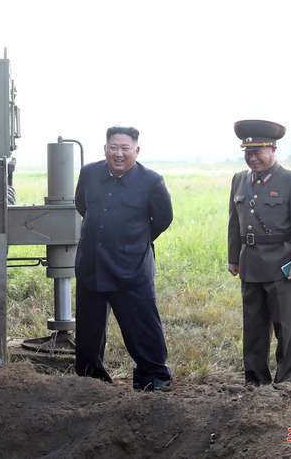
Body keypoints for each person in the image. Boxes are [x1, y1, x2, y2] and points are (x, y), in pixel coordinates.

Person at [74, 126, 173, 392]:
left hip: (131, 267)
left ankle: (153, 378)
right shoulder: (89, 174)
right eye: (113, 148)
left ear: (136, 151)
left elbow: (163, 219)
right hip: (92, 264)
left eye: (125, 148)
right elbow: (82, 205)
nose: (119, 154)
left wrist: (135, 240)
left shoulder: (151, 181)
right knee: (88, 331)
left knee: (141, 326)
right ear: (105, 149)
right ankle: (90, 381)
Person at [227, 120, 291, 386]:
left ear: (273, 148)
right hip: (250, 262)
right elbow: (234, 222)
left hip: (283, 264)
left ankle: (286, 381)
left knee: (285, 327)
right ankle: (255, 379)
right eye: (248, 153)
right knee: (253, 326)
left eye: (258, 151)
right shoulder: (239, 180)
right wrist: (233, 257)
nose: (252, 158)